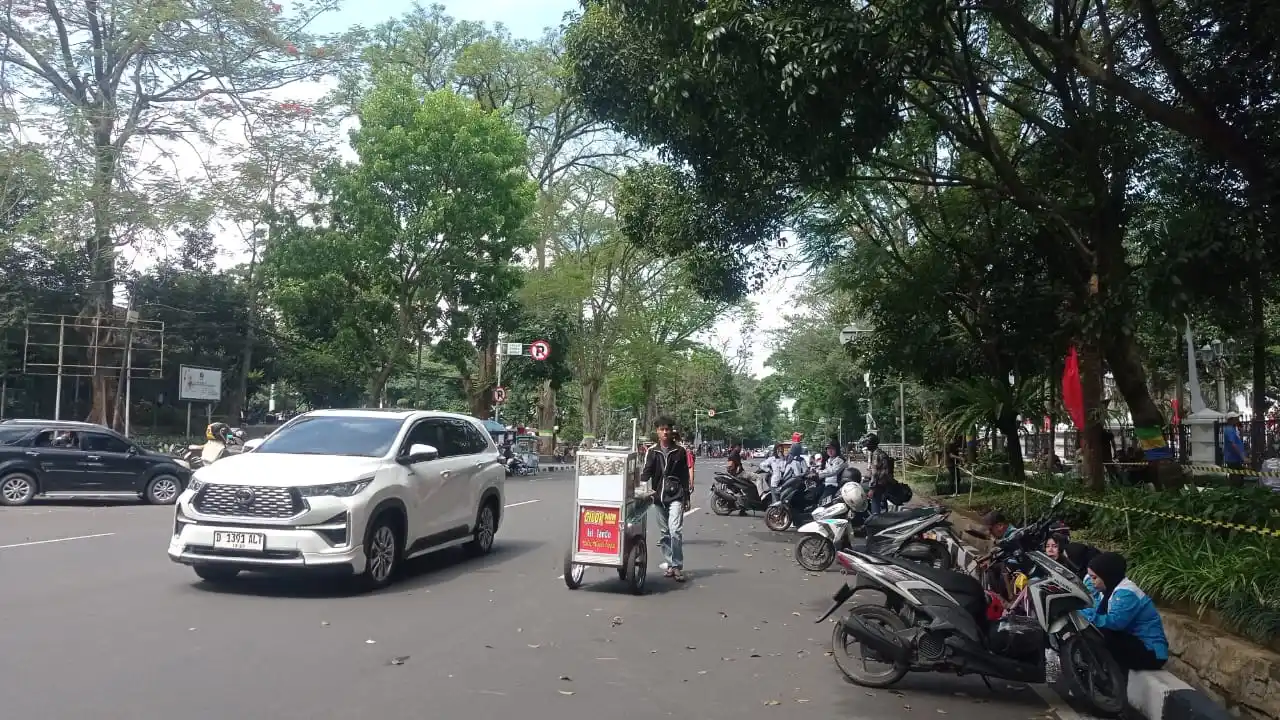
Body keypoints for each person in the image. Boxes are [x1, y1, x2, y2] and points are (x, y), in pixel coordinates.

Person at [1083, 552, 1169, 671]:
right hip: (1134, 643)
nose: (1092, 582)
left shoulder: (1126, 593)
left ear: (1107, 575)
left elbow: (1115, 623)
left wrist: (1084, 615)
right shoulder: (1108, 590)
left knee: (1103, 635)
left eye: (1094, 578)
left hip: (1151, 652)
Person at [639, 417, 692, 581]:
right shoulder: (652, 451)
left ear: (671, 431)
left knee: (675, 530)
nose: (665, 432)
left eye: (667, 429)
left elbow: (684, 475)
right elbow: (646, 473)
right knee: (664, 533)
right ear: (657, 432)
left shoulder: (680, 451)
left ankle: (676, 565)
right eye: (661, 429)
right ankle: (669, 564)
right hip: (658, 497)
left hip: (676, 495)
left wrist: (687, 497)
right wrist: (637, 488)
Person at [865, 434, 894, 515]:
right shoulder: (880, 453)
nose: (866, 446)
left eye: (867, 443)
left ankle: (876, 521)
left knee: (875, 503)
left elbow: (875, 474)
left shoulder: (876, 455)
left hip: (879, 484)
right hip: (885, 483)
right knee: (882, 504)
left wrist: (872, 489)